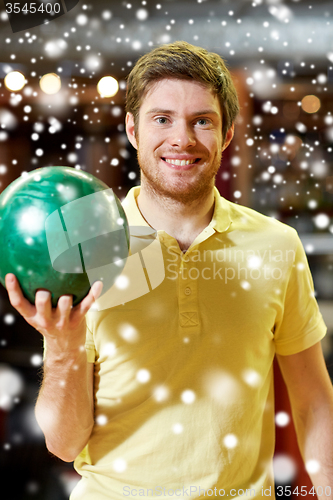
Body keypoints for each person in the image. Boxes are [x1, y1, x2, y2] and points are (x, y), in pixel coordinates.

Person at [5, 41, 333, 500]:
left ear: (228, 134)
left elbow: (315, 402)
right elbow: (63, 444)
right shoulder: (86, 247)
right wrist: (63, 346)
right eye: (162, 119)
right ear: (133, 131)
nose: (182, 139)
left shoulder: (278, 245)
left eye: (203, 121)